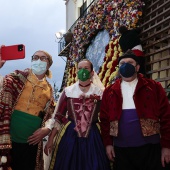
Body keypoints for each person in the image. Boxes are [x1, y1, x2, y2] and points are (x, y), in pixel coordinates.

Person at [100, 50, 170, 170]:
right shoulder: (109, 91)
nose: (125, 65)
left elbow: (166, 117)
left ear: (137, 67)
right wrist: (108, 144)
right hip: (121, 149)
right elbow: (104, 120)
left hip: (150, 148)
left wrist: (166, 146)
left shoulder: (153, 87)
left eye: (130, 62)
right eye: (122, 63)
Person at [44, 59, 111, 170]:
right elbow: (59, 116)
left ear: (92, 72)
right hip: (71, 134)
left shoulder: (99, 92)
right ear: (76, 71)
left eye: (86, 68)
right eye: (80, 68)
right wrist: (51, 139)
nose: (82, 71)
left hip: (93, 135)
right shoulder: (68, 91)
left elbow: (105, 116)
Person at [0, 46, 55, 170]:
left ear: (48, 64)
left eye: (42, 58)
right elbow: (1, 88)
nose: (38, 60)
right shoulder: (16, 77)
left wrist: (46, 129)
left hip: (31, 144)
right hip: (8, 139)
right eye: (35, 58)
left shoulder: (49, 90)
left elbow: (52, 115)